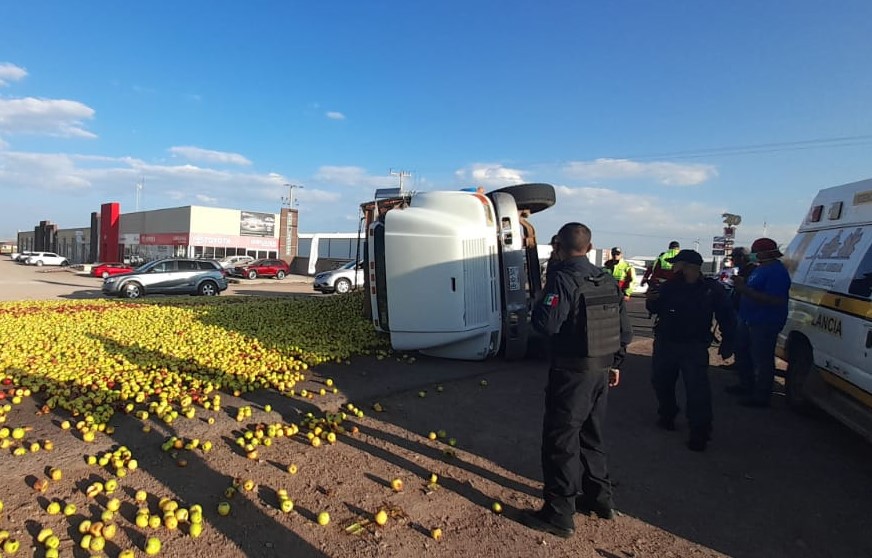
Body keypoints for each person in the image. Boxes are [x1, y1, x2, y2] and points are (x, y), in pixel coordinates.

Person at [522, 222, 633, 538]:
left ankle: (559, 514)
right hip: (602, 370)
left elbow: (546, 324)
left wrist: (543, 296)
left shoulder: (563, 278)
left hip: (572, 374)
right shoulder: (606, 278)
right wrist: (615, 365)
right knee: (592, 436)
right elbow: (624, 332)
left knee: (561, 441)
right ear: (589, 245)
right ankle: (601, 500)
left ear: (558, 246)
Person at [645, 249, 735, 451]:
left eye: (676, 264)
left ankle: (700, 431)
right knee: (661, 381)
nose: (673, 267)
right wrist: (651, 299)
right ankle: (667, 415)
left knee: (697, 389)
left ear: (687, 267)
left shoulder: (711, 289)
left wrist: (728, 341)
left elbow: (726, 316)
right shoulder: (669, 286)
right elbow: (655, 309)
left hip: (694, 345)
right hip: (666, 343)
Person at [726, 238, 791, 407]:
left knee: (761, 359)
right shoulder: (760, 268)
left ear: (764, 252)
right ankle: (746, 385)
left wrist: (744, 289)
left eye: (755, 252)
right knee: (743, 352)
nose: (753, 255)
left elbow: (776, 300)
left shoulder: (776, 271)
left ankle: (762, 396)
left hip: (764, 322)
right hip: (748, 318)